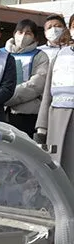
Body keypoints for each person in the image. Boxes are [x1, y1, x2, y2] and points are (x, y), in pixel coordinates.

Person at [35, 14, 74, 183]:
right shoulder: (60, 55)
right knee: (58, 172)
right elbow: (47, 94)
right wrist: (41, 127)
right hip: (56, 119)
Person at [3, 19, 49, 136]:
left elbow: (37, 84)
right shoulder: (1, 53)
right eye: (20, 32)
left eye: (28, 33)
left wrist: (5, 97)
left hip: (26, 112)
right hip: (0, 111)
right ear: (14, 34)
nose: (23, 36)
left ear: (34, 37)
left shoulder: (40, 56)